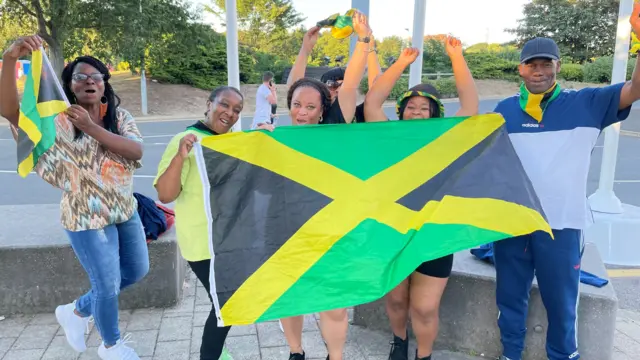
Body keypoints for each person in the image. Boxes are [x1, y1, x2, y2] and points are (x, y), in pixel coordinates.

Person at [491, 8, 640, 358]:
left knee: (562, 302)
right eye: (532, 65)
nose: (539, 72)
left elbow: (635, 89)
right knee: (509, 297)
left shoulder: (588, 102)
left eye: (546, 64)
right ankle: (510, 353)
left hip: (563, 224)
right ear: (521, 69)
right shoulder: (502, 110)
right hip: (512, 222)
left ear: (558, 66)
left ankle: (562, 354)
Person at [0, 36, 148, 360]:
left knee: (136, 271)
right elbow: (10, 111)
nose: (89, 81)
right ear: (69, 85)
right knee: (107, 284)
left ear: (105, 85)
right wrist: (10, 59)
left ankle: (77, 311)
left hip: (125, 211)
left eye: (96, 76)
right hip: (84, 217)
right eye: (80, 77)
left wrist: (93, 128)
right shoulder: (56, 122)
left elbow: (136, 151)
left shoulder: (119, 118)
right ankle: (112, 345)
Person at [363, 37, 478, 360]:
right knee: (397, 300)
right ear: (401, 112)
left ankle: (423, 355)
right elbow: (372, 104)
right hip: (392, 232)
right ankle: (398, 343)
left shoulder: (447, 140)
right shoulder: (389, 137)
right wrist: (401, 63)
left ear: (435, 114)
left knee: (425, 308)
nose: (416, 113)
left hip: (434, 234)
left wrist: (457, 57)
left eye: (423, 109)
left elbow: (470, 107)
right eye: (410, 107)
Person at [154, 86, 273, 360]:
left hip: (228, 240)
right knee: (227, 304)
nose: (229, 113)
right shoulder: (187, 139)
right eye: (224, 105)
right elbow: (165, 194)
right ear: (209, 104)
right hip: (202, 244)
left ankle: (217, 351)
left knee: (225, 303)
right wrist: (180, 155)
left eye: (237, 110)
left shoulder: (229, 143)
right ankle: (211, 354)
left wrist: (262, 140)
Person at [286, 16, 381, 124]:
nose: (302, 112)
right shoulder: (274, 134)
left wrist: (364, 38)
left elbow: (351, 82)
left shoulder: (334, 119)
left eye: (310, 107)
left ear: (321, 110)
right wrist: (305, 48)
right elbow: (294, 88)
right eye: (297, 104)